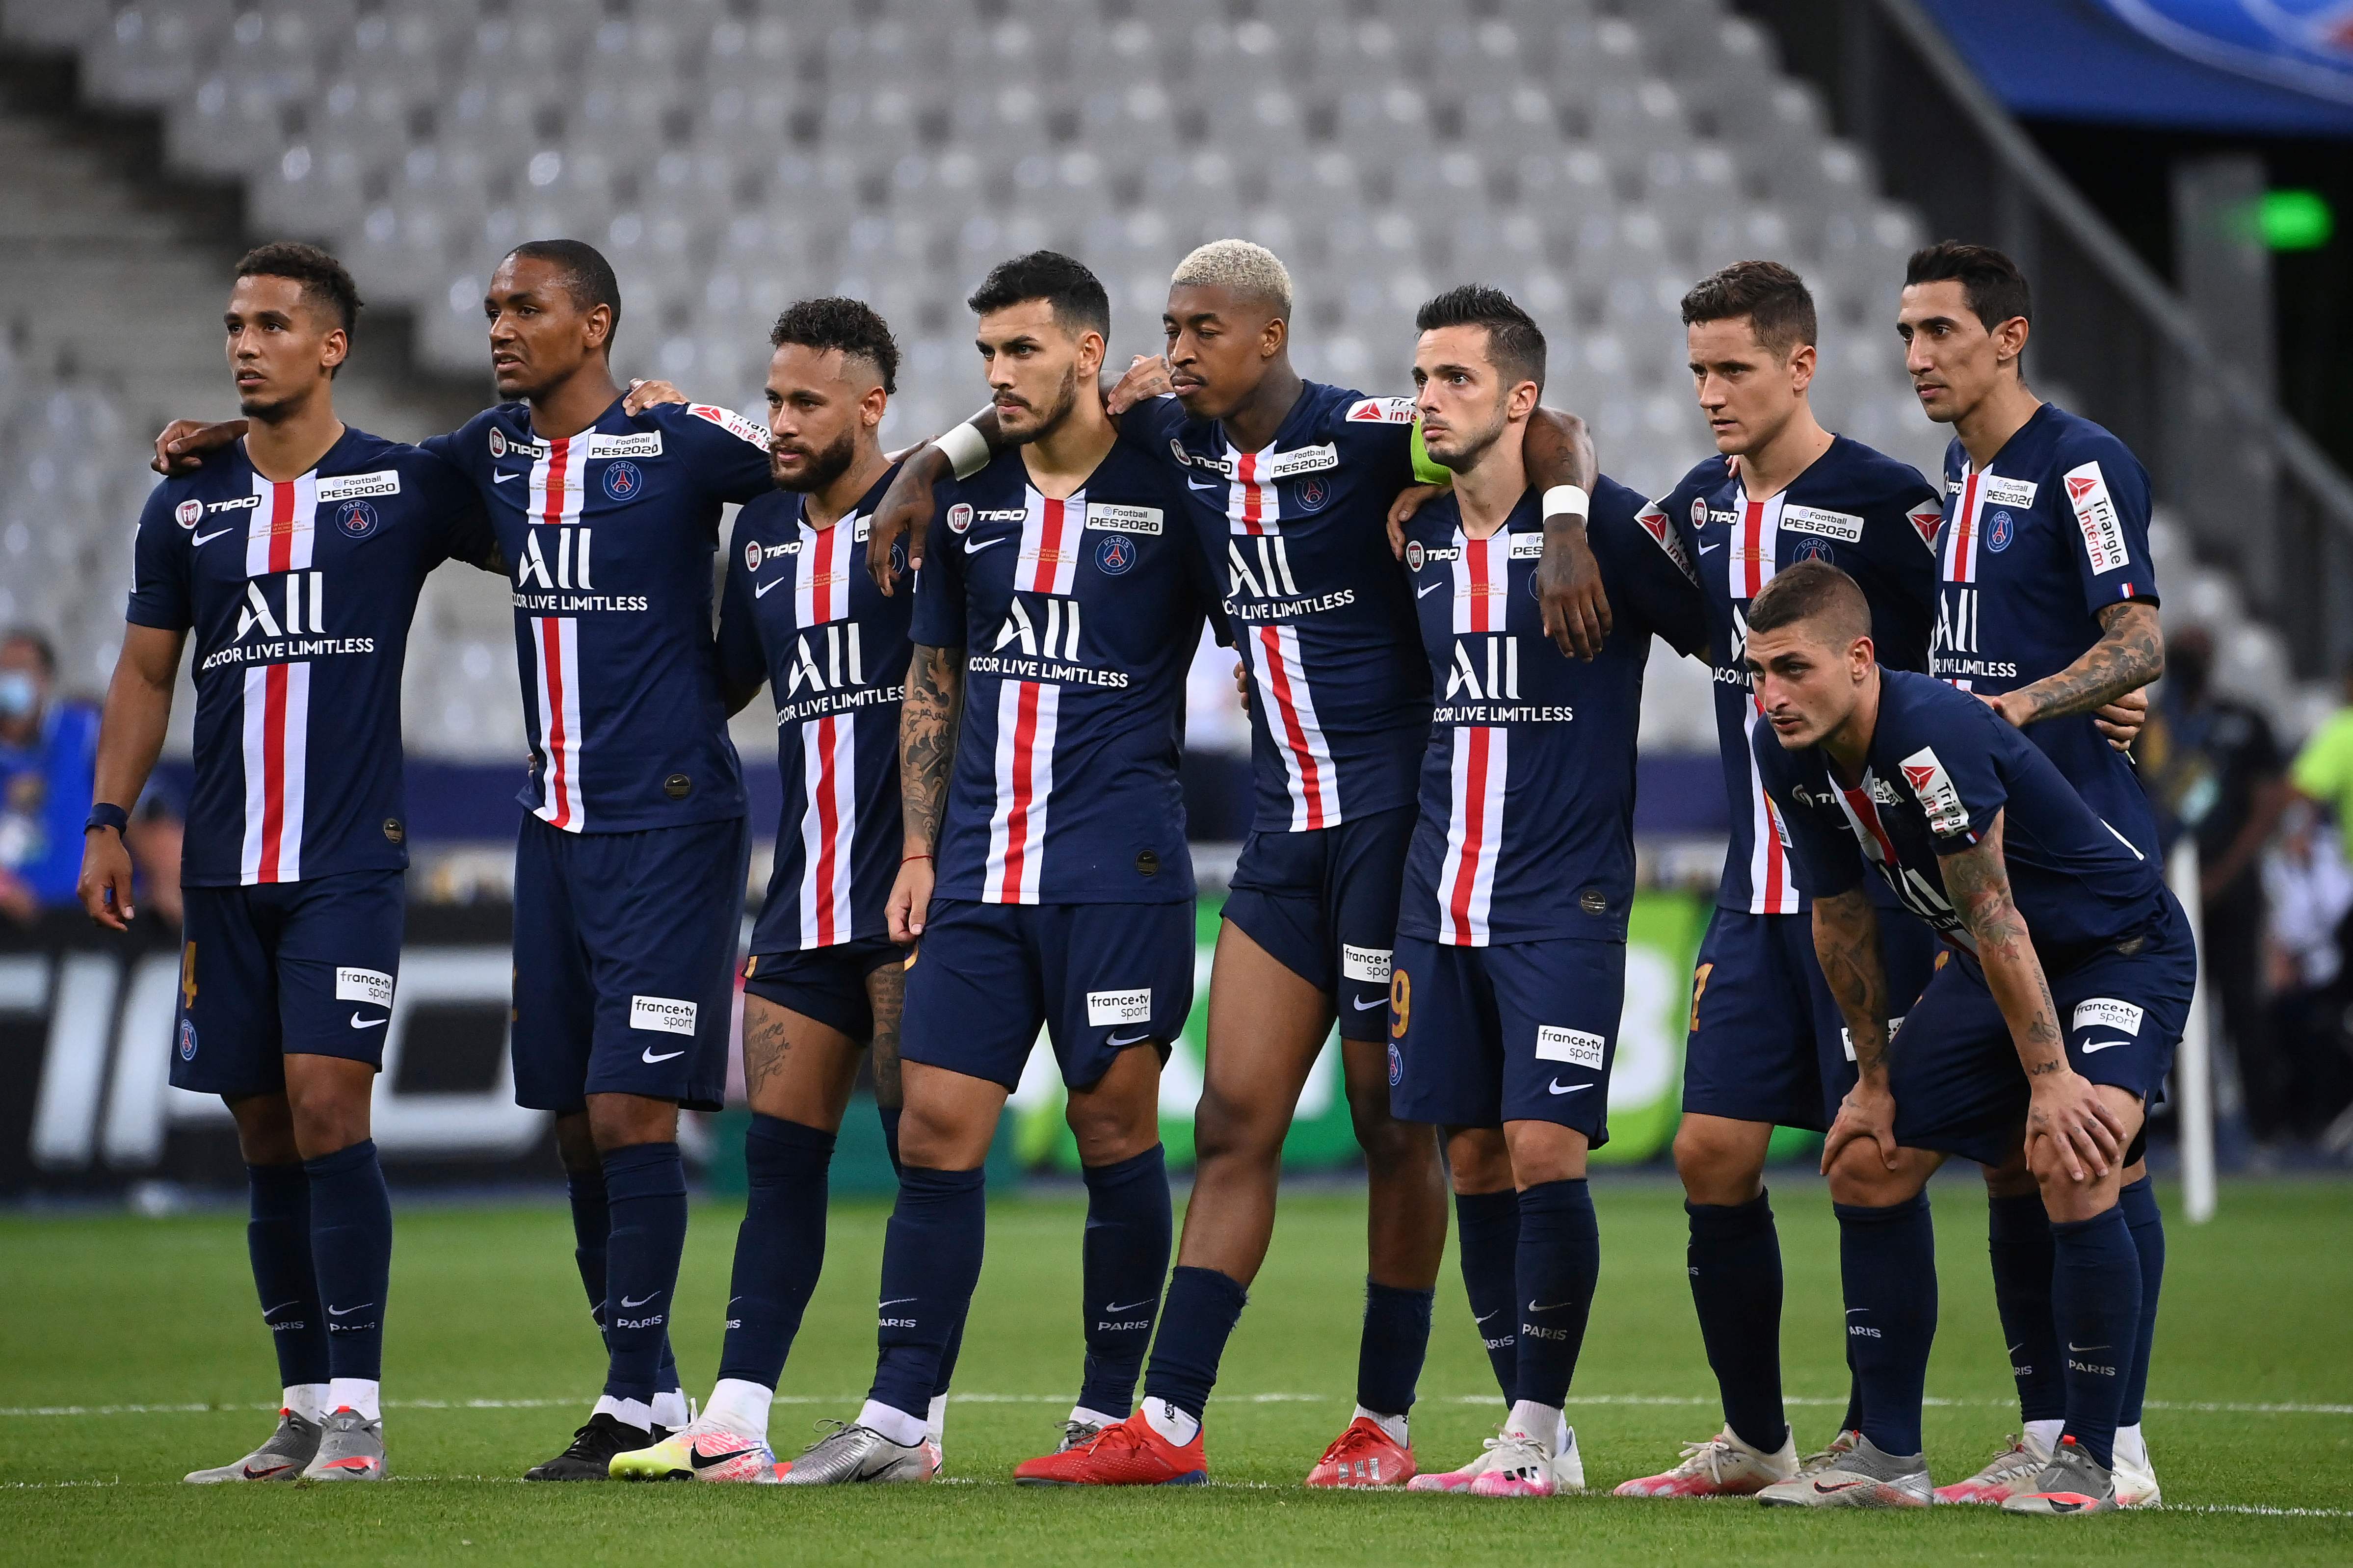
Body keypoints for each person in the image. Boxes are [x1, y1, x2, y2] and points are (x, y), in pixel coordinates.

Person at [873, 238, 1601, 1489]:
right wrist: (927, 468)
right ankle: (1168, 1418)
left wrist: (1574, 526)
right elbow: (1031, 407)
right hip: (1279, 836)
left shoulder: (1373, 433)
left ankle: (1387, 1418)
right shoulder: (1176, 443)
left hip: (1388, 832)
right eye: (1171, 325)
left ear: (1270, 336)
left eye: (1204, 328)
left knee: (1390, 1124)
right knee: (1231, 1118)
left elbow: (1554, 426)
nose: (1180, 348)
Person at [155, 239, 781, 1479]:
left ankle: (633, 1395)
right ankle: (648, 1390)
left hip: (670, 819)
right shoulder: (482, 458)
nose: (500, 325)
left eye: (526, 307)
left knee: (627, 1105)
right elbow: (345, 476)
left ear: (593, 324)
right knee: (574, 1124)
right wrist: (235, 428)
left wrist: (733, 662)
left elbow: (816, 479)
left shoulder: (678, 441)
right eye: (491, 306)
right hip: (552, 825)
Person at [778, 253, 1217, 1486]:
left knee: (1112, 1122)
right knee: (934, 1125)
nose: (998, 375)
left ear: (1088, 353)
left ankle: (1101, 1409)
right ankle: (902, 1415)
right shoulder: (963, 498)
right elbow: (936, 676)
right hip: (977, 872)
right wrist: (918, 849)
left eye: (1022, 350)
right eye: (986, 355)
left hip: (1118, 871)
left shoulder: (1168, 477)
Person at [83, 242, 497, 1484]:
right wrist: (106, 818)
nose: (244, 342)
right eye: (233, 323)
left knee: (328, 1108)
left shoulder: (401, 486)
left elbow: (543, 512)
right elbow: (148, 671)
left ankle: (360, 1416)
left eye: (271, 323)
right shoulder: (189, 503)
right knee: (263, 1134)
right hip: (220, 864)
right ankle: (304, 1406)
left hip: (345, 864)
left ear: (332, 347)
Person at [606, 299, 981, 1483]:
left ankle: (907, 1414)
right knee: (780, 1159)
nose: (780, 420)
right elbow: (721, 681)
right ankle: (735, 1411)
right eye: (771, 398)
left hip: (923, 892)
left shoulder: (933, 511)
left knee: (929, 1149)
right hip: (805, 891)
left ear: (874, 406)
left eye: (807, 401)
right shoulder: (760, 529)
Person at [1597, 261, 1949, 1500]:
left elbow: (1967, 654)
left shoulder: (1890, 503)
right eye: (1697, 369)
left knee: (1875, 1154)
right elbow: (1607, 547)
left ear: (1801, 365)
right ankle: (1756, 1439)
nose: (1710, 392)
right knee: (1709, 1152)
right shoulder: (1697, 508)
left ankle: (1883, 1445)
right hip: (1755, 888)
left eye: (1734, 367)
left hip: (1881, 892)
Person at [1744, 559, 2194, 1516]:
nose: (1772, 694)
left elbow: (1994, 913)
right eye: (1757, 672)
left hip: (2117, 951)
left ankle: (2093, 1458)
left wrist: (2051, 1079)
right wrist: (1870, 1079)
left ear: (1860, 660)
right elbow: (1840, 917)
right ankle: (1884, 1453)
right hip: (1996, 969)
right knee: (1866, 1155)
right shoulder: (1784, 747)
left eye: (1792, 668)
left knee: (2071, 1156)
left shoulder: (1929, 732)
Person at [1371, 287, 1706, 1495]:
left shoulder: (1609, 531)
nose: (1427, 399)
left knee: (1545, 1147)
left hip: (1561, 896)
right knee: (1469, 1155)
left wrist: (1568, 515)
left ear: (1520, 400)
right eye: (1420, 378)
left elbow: (1732, 641)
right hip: (1436, 894)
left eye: (1455, 379)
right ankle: (1539, 1441)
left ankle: (1531, 1422)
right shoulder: (1411, 530)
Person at [1899, 241, 2168, 1506]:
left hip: (2092, 864)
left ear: (2007, 336)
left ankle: (2112, 1443)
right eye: (1906, 335)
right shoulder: (1956, 474)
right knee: (2021, 1150)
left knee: (2098, 1148)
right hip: (1986, 872)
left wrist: (2032, 706)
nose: (1917, 358)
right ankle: (2049, 1422)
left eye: (1941, 332)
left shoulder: (2081, 460)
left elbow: (2139, 636)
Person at [2139, 627, 2290, 1138]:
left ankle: (2267, 1130)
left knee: (2242, 1004)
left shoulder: (2244, 722)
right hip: (2164, 888)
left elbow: (2268, 803)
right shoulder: (2148, 721)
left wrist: (2223, 873)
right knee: (2174, 1005)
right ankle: (2187, 1125)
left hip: (2233, 884)